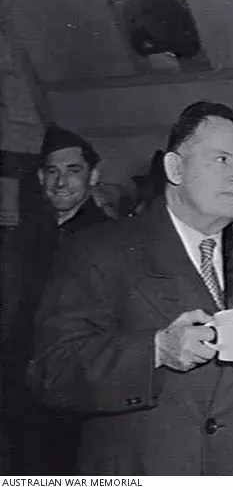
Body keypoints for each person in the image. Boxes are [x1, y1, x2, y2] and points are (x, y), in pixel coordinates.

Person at [27, 101, 233, 475]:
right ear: (174, 168)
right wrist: (154, 349)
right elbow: (51, 374)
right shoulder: (99, 250)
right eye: (222, 160)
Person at [4, 125, 110, 475]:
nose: (61, 182)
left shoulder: (110, 239)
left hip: (78, 396)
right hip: (20, 391)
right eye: (52, 171)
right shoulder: (24, 237)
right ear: (39, 177)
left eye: (73, 171)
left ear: (94, 176)